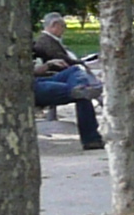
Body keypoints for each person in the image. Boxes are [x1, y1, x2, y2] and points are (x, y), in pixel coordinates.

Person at [30, 14, 104, 150]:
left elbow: (34, 70)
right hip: (31, 86)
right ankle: (91, 139)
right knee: (83, 94)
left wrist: (48, 65)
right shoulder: (44, 41)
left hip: (41, 78)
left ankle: (81, 87)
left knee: (75, 72)